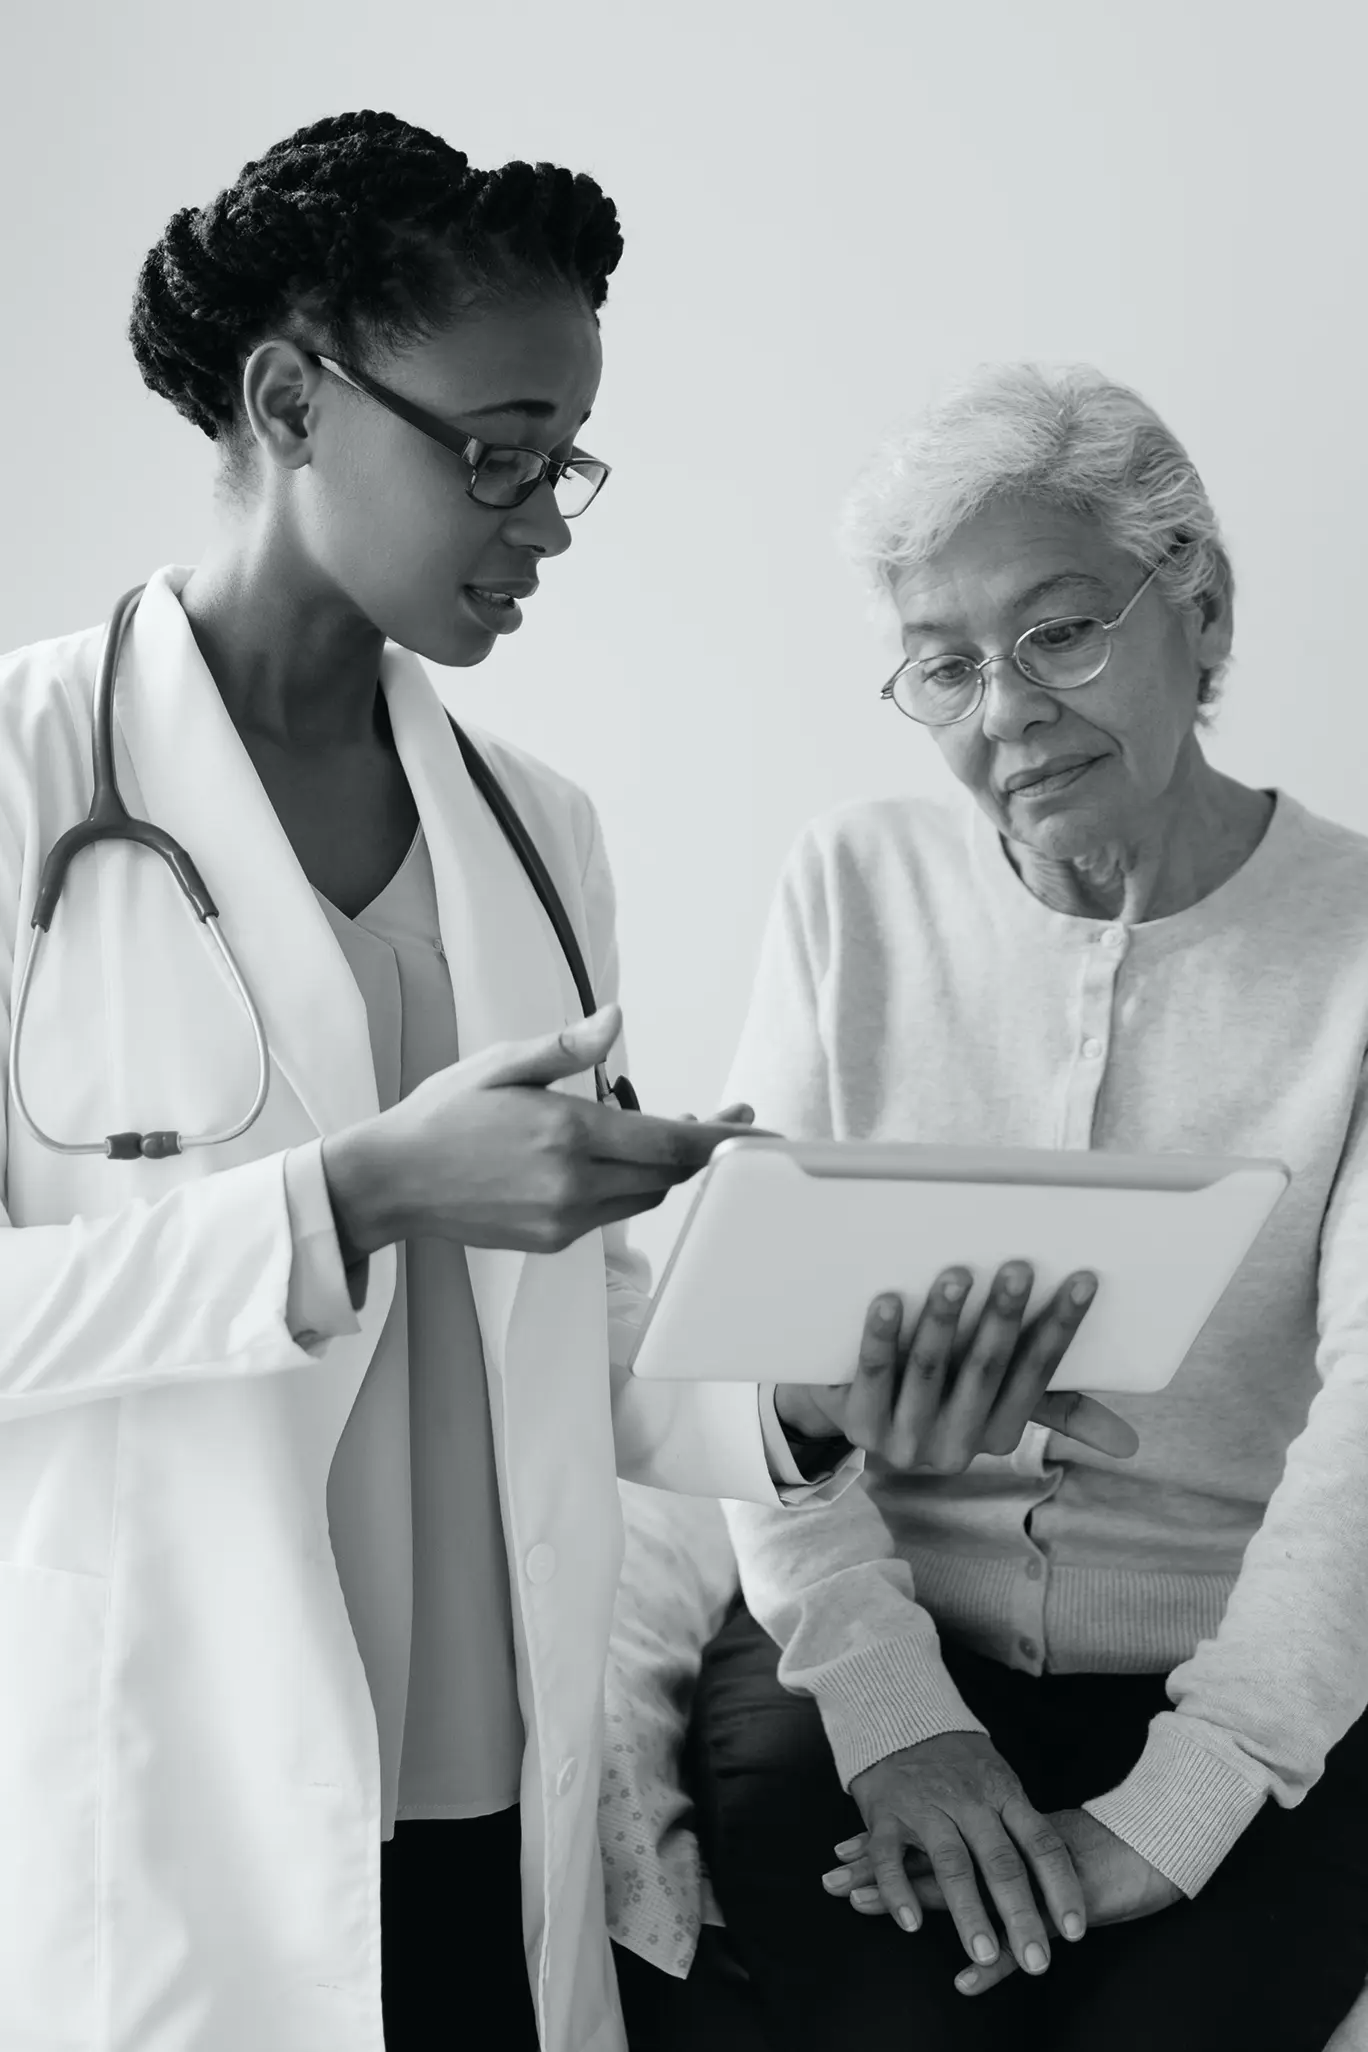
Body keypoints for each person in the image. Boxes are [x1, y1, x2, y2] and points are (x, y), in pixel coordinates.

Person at [0, 122, 1123, 2052]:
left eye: (566, 464)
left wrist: (801, 1395)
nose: (544, 522)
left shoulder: (540, 833)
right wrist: (357, 1196)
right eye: (499, 454)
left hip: (501, 1796)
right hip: (183, 1814)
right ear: (288, 399)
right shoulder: (28, 778)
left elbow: (579, 1341)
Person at [687, 362, 1368, 2052]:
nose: (1004, 711)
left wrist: (1185, 1801)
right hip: (869, 1643)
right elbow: (749, 1366)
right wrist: (894, 1712)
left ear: (1197, 609)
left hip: (1251, 1676)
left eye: (1060, 632)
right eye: (943, 665)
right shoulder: (851, 887)